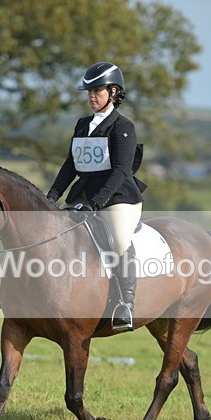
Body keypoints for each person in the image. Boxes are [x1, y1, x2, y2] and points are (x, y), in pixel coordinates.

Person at [46, 62, 147, 331]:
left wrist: (96, 204)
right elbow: (71, 164)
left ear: (114, 93)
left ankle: (126, 304)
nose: (92, 96)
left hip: (118, 198)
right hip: (84, 195)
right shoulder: (82, 125)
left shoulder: (123, 127)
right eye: (89, 92)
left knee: (120, 240)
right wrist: (53, 195)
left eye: (98, 91)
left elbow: (121, 171)